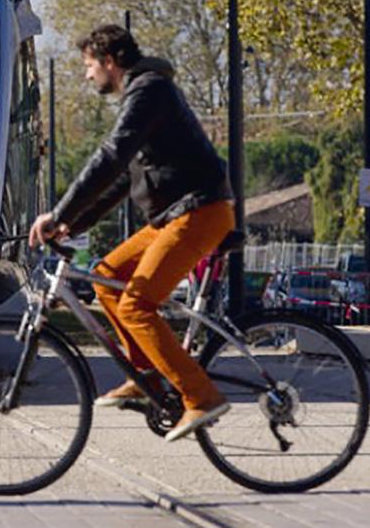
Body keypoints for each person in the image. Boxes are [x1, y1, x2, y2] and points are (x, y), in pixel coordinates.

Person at [28, 24, 235, 442]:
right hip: (176, 216)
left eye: (89, 66)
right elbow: (125, 177)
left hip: (200, 211)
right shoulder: (142, 95)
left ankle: (201, 396)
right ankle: (148, 378)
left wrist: (60, 210)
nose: (87, 76)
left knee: (137, 305)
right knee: (108, 276)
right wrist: (75, 223)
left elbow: (111, 155)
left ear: (110, 61)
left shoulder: (149, 90)